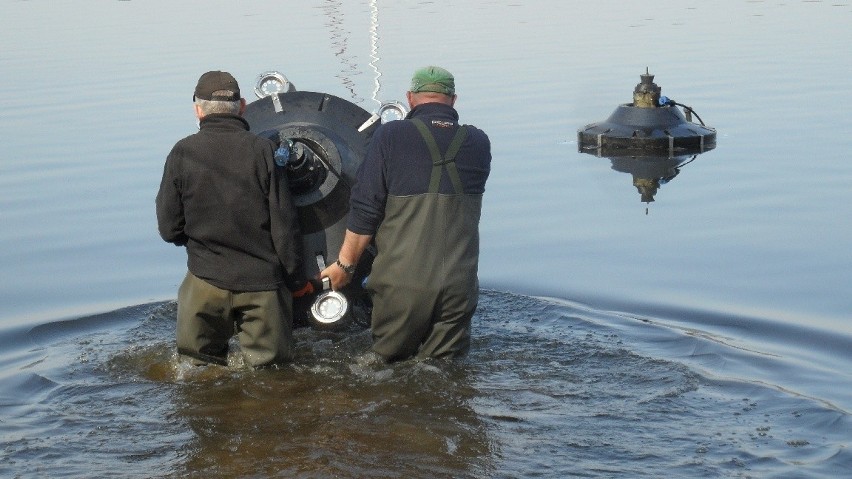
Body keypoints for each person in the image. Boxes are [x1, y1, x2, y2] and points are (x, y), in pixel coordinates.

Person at [321, 66, 491, 362]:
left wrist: (345, 266)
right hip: (459, 285)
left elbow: (365, 207)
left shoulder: (392, 135)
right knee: (445, 375)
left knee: (389, 372)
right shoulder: (478, 142)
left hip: (402, 287)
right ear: (453, 100)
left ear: (410, 98)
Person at [156, 70, 303, 367]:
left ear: (198, 110)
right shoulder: (263, 151)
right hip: (262, 285)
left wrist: (202, 245)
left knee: (197, 376)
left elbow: (169, 228)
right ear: (243, 106)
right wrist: (295, 280)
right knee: (271, 378)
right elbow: (284, 225)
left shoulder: (182, 152)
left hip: (205, 281)